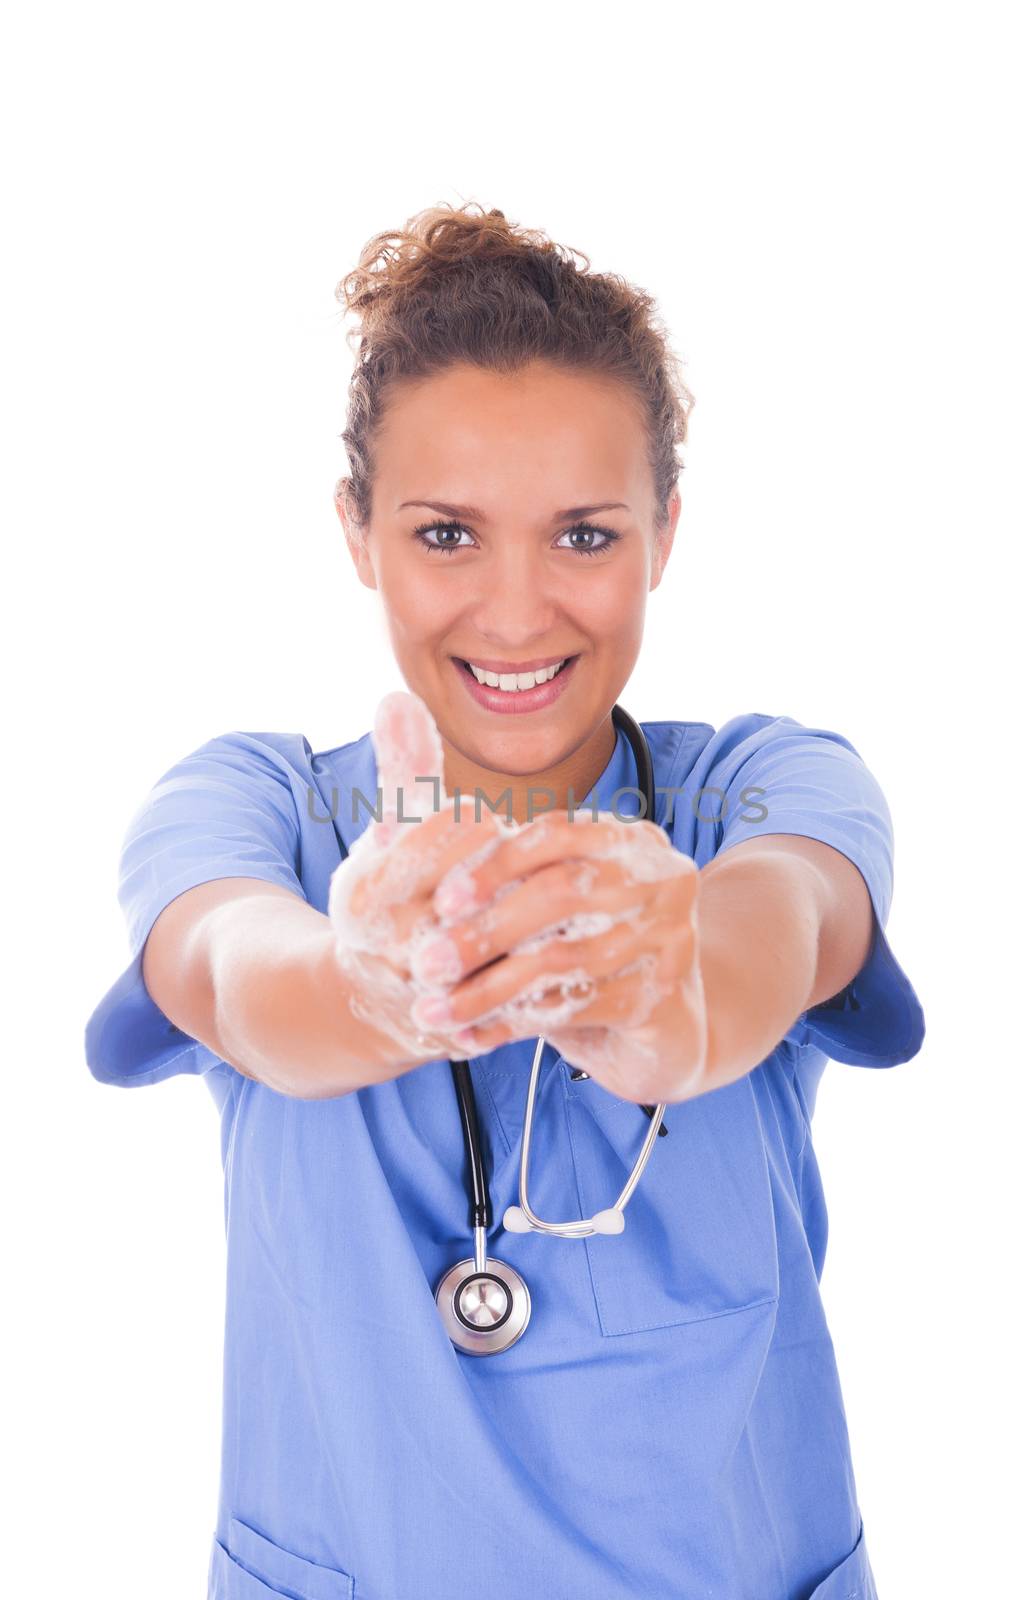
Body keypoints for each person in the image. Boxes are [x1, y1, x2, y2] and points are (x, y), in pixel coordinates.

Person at [84, 201, 926, 1600]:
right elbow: (230, 967)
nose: (520, 610)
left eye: (586, 536)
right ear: (358, 532)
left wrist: (689, 998)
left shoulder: (761, 790)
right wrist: (362, 987)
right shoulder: (258, 809)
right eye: (448, 534)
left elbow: (791, 914)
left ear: (666, 533)